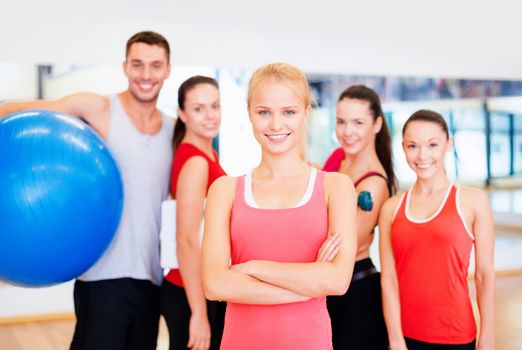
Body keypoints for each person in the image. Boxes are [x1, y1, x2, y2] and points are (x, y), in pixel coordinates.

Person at [0, 31, 174, 350]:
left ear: (167, 70)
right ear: (125, 67)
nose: (146, 75)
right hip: (101, 276)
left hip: (151, 277)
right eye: (137, 65)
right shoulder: (97, 107)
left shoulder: (173, 129)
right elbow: (10, 109)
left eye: (155, 65)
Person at [201, 62, 358, 350]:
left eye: (289, 112)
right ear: (249, 113)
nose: (276, 125)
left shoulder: (335, 188)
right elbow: (215, 285)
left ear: (306, 113)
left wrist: (252, 268)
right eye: (264, 113)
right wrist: (308, 284)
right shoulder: (224, 191)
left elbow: (337, 281)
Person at [379, 110, 495, 350]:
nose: (422, 155)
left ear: (448, 145)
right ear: (403, 147)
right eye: (413, 146)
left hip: (456, 334)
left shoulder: (473, 201)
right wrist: (395, 339)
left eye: (432, 145)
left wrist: (487, 337)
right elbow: (388, 280)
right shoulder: (391, 208)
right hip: (406, 335)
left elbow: (484, 276)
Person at [323, 85, 396, 349]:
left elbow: (338, 244)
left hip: (356, 290)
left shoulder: (373, 185)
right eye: (341, 122)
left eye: (358, 122)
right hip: (327, 286)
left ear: (377, 124)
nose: (347, 131)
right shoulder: (337, 158)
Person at [161, 76, 226, 350]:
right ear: (183, 114)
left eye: (215, 106)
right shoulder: (196, 161)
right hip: (189, 292)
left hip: (201, 287)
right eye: (199, 109)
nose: (210, 116)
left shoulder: (207, 153)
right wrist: (199, 314)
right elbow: (186, 240)